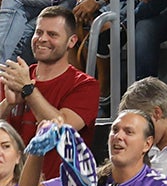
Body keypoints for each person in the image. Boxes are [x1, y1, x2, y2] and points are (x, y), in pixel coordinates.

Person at [15, 108, 167, 186]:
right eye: (115, 130)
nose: (118, 136)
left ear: (147, 144)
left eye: (129, 132)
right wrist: (37, 152)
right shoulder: (88, 180)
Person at [0, 8, 98, 161]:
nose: (42, 39)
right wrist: (8, 104)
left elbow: (63, 127)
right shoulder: (13, 78)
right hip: (10, 181)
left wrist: (28, 90)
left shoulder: (85, 85)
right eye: (38, 32)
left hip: (56, 182)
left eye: (52, 34)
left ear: (71, 41)